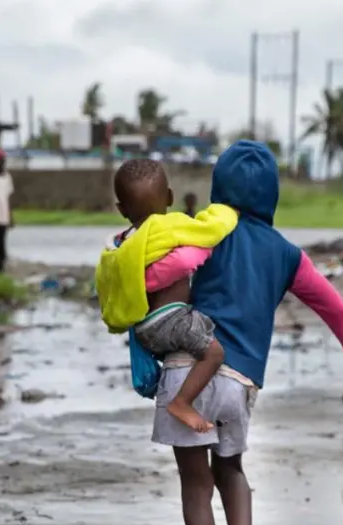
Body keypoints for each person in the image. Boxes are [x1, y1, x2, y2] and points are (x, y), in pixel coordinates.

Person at [145, 140, 343, 525]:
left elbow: (156, 271)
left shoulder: (203, 231)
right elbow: (335, 308)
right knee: (231, 470)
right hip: (238, 380)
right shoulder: (286, 253)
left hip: (186, 366)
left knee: (196, 486)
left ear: (219, 189)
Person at [95, 159, 238, 432]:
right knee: (214, 354)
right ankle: (182, 402)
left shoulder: (121, 244)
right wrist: (227, 211)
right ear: (170, 197)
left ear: (121, 210)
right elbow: (209, 231)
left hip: (144, 330)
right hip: (169, 320)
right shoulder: (166, 227)